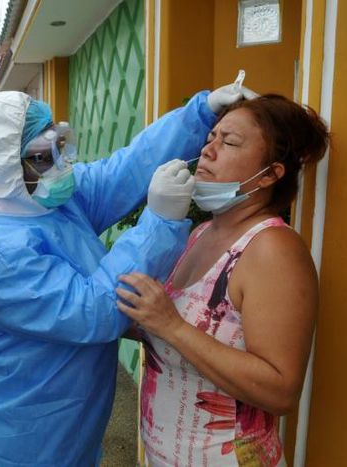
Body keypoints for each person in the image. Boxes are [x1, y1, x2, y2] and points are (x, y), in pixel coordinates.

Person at [0, 80, 254, 465]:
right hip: (27, 426)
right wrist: (157, 224)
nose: (61, 164)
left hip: (71, 414)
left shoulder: (41, 198)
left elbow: (125, 170)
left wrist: (200, 112)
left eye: (59, 145)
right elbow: (95, 311)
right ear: (2, 169)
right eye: (43, 156)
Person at [115, 94, 328, 466]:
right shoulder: (198, 234)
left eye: (229, 142)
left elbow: (280, 390)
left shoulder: (272, 248)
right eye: (211, 137)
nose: (208, 151)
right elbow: (172, 327)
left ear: (272, 173)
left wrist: (171, 325)